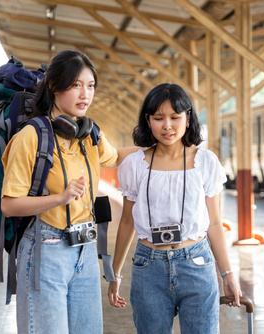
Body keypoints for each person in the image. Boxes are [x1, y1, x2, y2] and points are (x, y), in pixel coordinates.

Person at [0, 50, 137, 334]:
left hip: (85, 251)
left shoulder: (90, 135)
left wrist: (163, 145)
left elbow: (115, 157)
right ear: (53, 86)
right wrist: (60, 198)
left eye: (90, 86)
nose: (85, 94)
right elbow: (9, 205)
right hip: (45, 249)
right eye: (76, 85)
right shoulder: (30, 137)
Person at [108, 83, 242, 333]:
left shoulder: (205, 161)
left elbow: (214, 223)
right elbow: (126, 221)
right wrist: (115, 273)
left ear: (188, 118)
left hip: (196, 263)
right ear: (148, 120)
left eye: (175, 117)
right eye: (158, 118)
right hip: (148, 267)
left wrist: (227, 274)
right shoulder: (135, 165)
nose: (167, 126)